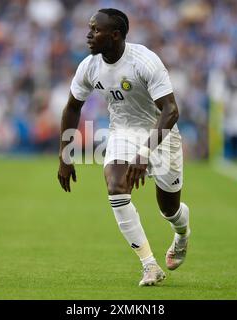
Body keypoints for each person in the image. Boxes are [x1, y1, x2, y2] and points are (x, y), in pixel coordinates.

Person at [57, 8, 191, 286]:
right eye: (89, 28)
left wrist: (145, 154)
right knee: (116, 186)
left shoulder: (144, 61)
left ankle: (181, 232)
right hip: (122, 133)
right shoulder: (89, 66)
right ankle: (149, 265)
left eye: (95, 30)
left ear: (115, 35)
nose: (88, 35)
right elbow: (72, 108)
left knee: (170, 210)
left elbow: (171, 111)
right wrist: (65, 154)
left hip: (161, 134)